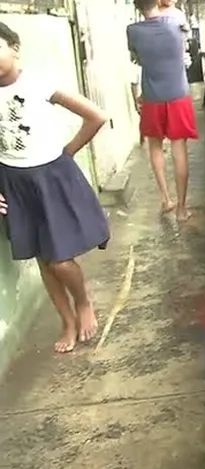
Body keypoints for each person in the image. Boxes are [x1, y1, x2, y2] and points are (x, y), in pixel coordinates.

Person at [0, 23, 109, 353]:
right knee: (42, 258)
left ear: (14, 47)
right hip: (13, 180)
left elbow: (96, 116)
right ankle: (67, 320)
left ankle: (83, 302)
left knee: (60, 258)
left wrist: (67, 153)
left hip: (50, 176)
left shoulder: (40, 82)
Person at [128, 0, 198, 222]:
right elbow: (185, 47)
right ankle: (182, 209)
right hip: (178, 94)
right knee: (179, 149)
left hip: (152, 96)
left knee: (155, 146)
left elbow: (137, 59)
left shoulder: (132, 31)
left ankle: (166, 200)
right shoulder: (177, 24)